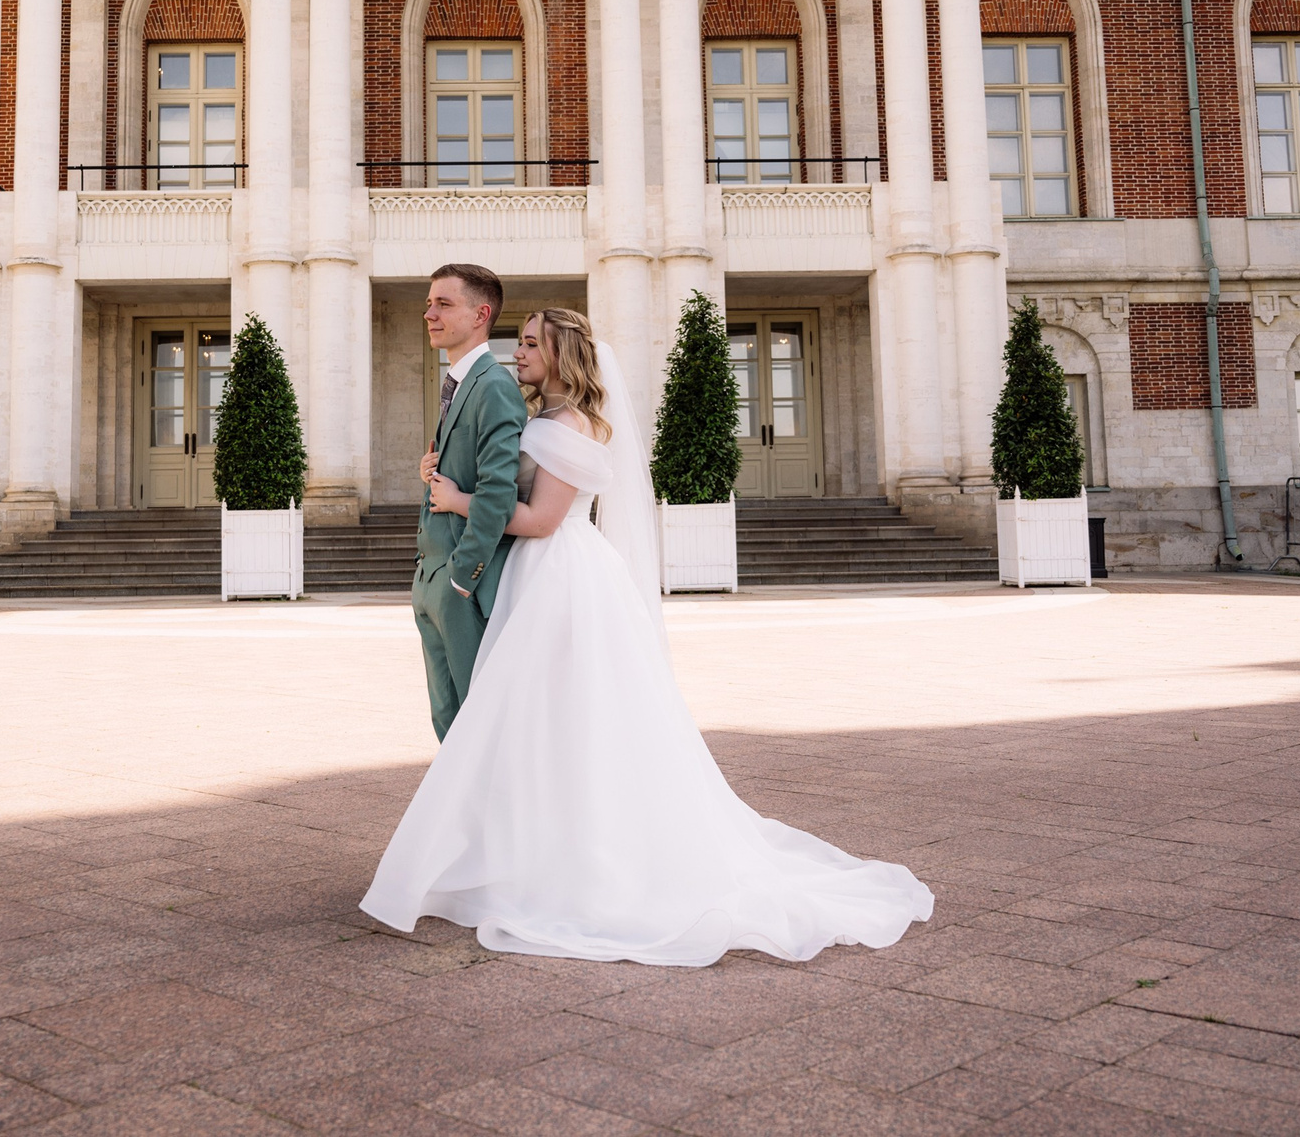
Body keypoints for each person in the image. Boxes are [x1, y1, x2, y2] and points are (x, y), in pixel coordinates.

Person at [363, 307, 935, 966]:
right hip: (544, 576)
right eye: (516, 341)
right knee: (543, 720)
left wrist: (457, 503)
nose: (516, 353)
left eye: (529, 344)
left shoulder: (568, 426)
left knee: (559, 716)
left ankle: (575, 858)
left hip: (559, 577)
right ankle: (530, 845)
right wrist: (447, 476)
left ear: (561, 354)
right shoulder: (542, 420)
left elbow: (545, 519)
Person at [411, 263, 527, 741]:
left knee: (475, 724)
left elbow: (500, 491)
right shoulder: (460, 382)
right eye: (428, 303)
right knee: (448, 719)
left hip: (461, 586)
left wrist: (464, 576)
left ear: (481, 314)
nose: (429, 314)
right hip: (430, 576)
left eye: (444, 303)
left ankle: (490, 816)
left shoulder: (494, 385)